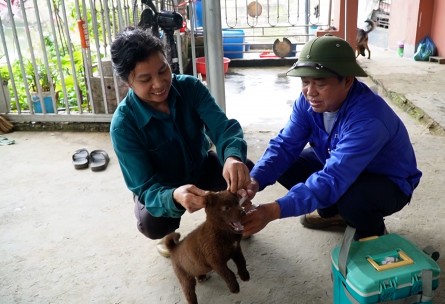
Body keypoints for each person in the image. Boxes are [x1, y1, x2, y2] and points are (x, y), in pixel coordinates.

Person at [241, 35, 422, 240]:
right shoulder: (307, 102)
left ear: (347, 80)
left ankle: (373, 232)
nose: (310, 92)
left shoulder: (368, 120)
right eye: (305, 82)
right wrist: (255, 180)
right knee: (286, 164)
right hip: (339, 163)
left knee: (351, 199)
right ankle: (334, 213)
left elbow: (333, 177)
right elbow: (285, 145)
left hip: (387, 181)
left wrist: (271, 211)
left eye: (320, 83)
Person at [109, 28, 252, 257]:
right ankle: (168, 232)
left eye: (163, 70)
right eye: (145, 79)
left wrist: (233, 157)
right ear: (128, 82)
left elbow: (223, 129)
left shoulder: (190, 87)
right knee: (152, 222)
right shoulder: (123, 126)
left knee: (243, 170)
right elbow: (144, 186)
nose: (159, 84)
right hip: (164, 186)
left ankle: (230, 217)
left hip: (201, 166)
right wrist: (174, 196)